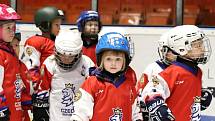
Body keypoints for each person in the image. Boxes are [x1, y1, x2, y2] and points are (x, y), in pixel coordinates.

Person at [139, 25, 212, 121]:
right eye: (198, 45)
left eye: (201, 44)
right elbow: (151, 90)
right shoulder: (172, 72)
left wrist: (203, 94)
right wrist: (157, 105)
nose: (202, 49)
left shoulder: (198, 72)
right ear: (182, 49)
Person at [70, 32, 142, 121]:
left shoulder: (129, 84)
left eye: (118, 59)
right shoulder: (92, 83)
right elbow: (80, 113)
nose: (113, 63)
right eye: (108, 59)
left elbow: (135, 113)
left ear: (125, 61)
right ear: (101, 60)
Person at [20, 6, 64, 121]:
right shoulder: (35, 42)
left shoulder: (58, 42)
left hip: (57, 94)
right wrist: (34, 93)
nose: (59, 28)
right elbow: (29, 70)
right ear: (46, 25)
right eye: (56, 25)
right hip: (42, 97)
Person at [39, 30, 94, 121]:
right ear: (56, 51)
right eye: (63, 55)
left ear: (78, 53)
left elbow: (93, 88)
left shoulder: (87, 63)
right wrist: (41, 110)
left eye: (71, 56)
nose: (66, 59)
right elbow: (42, 89)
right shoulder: (50, 64)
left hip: (80, 116)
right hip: (56, 117)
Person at [77, 10, 137, 86]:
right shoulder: (77, 46)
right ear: (82, 26)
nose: (93, 27)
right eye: (90, 24)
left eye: (96, 25)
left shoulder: (105, 47)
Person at [136, 30, 177, 120]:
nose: (176, 55)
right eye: (172, 51)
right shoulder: (153, 69)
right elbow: (140, 93)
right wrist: (141, 116)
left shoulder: (184, 70)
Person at [0, 4, 30, 121]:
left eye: (13, 27)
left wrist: (25, 99)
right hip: (5, 112)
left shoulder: (9, 52)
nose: (12, 32)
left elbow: (15, 82)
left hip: (14, 111)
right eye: (8, 28)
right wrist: (1, 109)